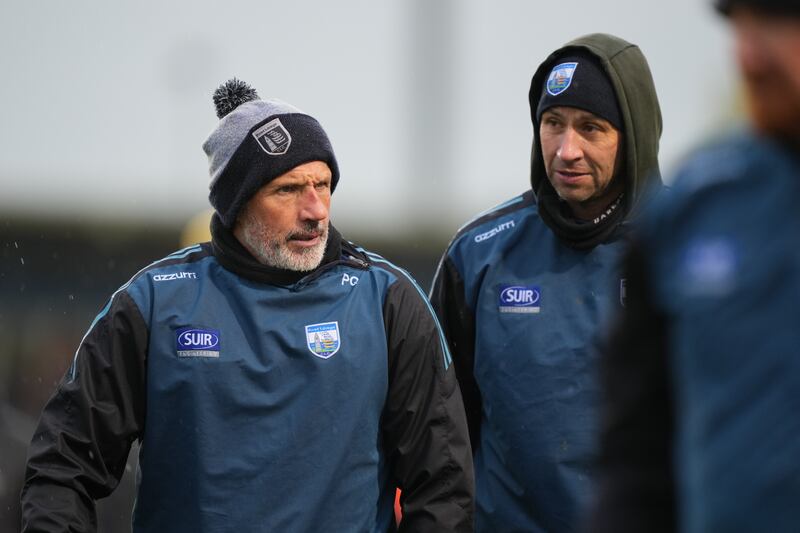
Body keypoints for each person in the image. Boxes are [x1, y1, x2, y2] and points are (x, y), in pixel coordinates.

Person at [20, 79, 474, 532]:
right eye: (289, 189)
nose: (315, 209)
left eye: (322, 184)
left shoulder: (388, 301)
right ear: (238, 204)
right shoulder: (155, 303)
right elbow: (64, 464)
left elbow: (442, 486)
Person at [429, 34, 663, 531]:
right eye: (552, 124)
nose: (566, 150)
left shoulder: (687, 249)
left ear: (635, 134)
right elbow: (440, 436)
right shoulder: (479, 254)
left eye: (591, 128)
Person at [588, 2, 800, 532]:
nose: (750, 57)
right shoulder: (693, 212)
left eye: (779, 21)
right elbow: (637, 468)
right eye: (740, 26)